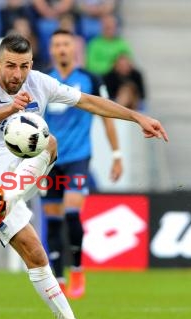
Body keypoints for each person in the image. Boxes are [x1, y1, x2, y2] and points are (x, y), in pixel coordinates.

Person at [0, 33, 167, 319]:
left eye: (23, 66)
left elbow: (91, 101)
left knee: (49, 146)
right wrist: (10, 107)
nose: (16, 74)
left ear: (31, 65)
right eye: (10, 66)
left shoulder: (40, 83)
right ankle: (5, 199)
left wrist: (137, 117)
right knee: (35, 241)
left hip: (12, 175)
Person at [40, 29, 123, 299]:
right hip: (48, 160)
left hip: (78, 157)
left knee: (72, 212)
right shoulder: (42, 79)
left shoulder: (90, 79)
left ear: (74, 48)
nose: (61, 48)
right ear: (51, 49)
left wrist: (117, 155)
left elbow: (106, 116)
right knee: (52, 219)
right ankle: (59, 278)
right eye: (56, 44)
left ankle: (77, 268)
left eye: (66, 43)